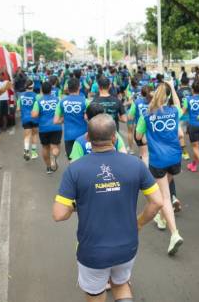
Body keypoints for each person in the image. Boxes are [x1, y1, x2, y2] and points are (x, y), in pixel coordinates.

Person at [53, 114, 163, 302]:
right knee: (120, 285)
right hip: (127, 246)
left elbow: (59, 214)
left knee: (96, 295)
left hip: (92, 250)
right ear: (114, 137)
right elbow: (157, 202)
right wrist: (139, 223)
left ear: (87, 138)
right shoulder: (135, 164)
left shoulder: (75, 169)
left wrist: (75, 204)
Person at [135, 82, 184, 255]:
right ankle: (161, 218)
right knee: (166, 193)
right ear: (170, 97)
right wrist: (171, 87)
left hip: (158, 160)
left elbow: (139, 137)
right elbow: (178, 104)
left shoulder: (146, 115)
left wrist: (150, 138)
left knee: (164, 196)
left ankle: (174, 234)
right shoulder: (175, 111)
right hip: (175, 158)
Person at [54, 77, 90, 160]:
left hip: (69, 136)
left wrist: (64, 118)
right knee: (85, 160)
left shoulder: (62, 102)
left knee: (72, 161)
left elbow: (55, 121)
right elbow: (88, 118)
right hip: (84, 136)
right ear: (79, 87)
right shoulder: (85, 101)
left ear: (67, 88)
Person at [31, 81, 62, 174]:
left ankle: (48, 167)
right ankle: (54, 160)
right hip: (56, 127)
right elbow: (62, 113)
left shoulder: (39, 101)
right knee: (55, 146)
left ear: (41, 90)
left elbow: (34, 115)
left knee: (45, 147)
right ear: (51, 90)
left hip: (43, 128)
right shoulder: (57, 100)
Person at [183, 80, 199, 174]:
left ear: (192, 90)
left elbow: (183, 111)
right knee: (197, 146)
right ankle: (193, 165)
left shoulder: (188, 99)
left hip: (193, 125)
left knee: (195, 147)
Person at [128, 85, 152, 165]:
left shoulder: (137, 102)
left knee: (143, 154)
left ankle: (145, 172)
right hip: (154, 129)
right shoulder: (156, 102)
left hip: (140, 130)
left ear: (141, 93)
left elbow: (130, 117)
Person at [17, 80, 40, 161]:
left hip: (25, 118)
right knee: (34, 135)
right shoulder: (36, 96)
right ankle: (33, 153)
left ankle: (26, 151)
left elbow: (18, 108)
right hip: (35, 118)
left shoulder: (21, 95)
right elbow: (39, 108)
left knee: (27, 135)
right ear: (33, 87)